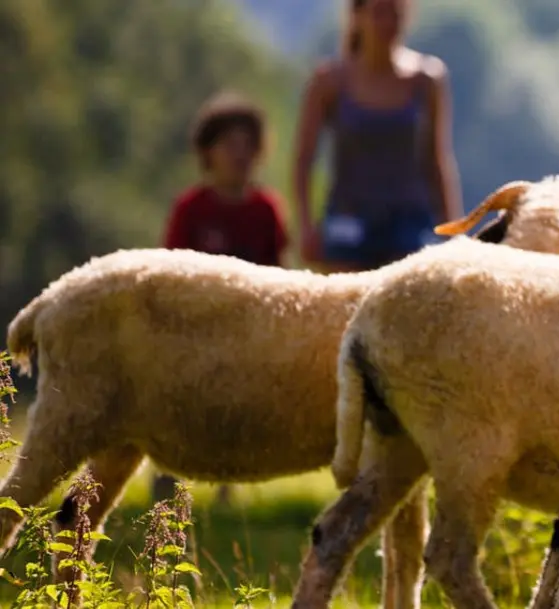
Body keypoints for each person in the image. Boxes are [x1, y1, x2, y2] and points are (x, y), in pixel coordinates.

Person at [152, 91, 290, 505]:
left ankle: (224, 493)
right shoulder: (191, 209)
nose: (241, 154)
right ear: (208, 152)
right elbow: (169, 274)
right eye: (230, 144)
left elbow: (278, 274)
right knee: (178, 413)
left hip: (245, 336)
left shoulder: (266, 209)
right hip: (192, 333)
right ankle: (165, 491)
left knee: (234, 414)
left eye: (249, 144)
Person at [292, 0, 463, 273]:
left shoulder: (427, 79)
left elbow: (437, 160)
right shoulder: (329, 82)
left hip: (409, 222)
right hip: (348, 218)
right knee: (343, 305)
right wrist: (305, 226)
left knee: (410, 304)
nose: (387, 23)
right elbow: (304, 160)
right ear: (357, 16)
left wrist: (454, 230)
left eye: (395, 14)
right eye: (379, 13)